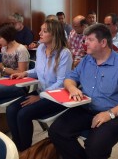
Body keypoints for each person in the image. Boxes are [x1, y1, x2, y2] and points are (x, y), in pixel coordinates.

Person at [48, 23, 118, 159]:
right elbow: (70, 78)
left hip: (115, 113)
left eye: (90, 40)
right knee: (56, 131)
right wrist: (72, 87)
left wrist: (109, 114)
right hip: (86, 108)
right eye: (85, 39)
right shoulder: (87, 60)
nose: (85, 43)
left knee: (95, 147)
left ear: (103, 42)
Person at [6, 19, 73, 152]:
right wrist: (24, 73)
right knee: (11, 109)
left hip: (57, 96)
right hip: (42, 92)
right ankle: (17, 147)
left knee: (23, 114)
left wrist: (40, 97)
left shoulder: (64, 53)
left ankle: (25, 150)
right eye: (41, 30)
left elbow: (61, 82)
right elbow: (37, 71)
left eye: (44, 31)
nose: (40, 33)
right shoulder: (41, 48)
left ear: (54, 34)